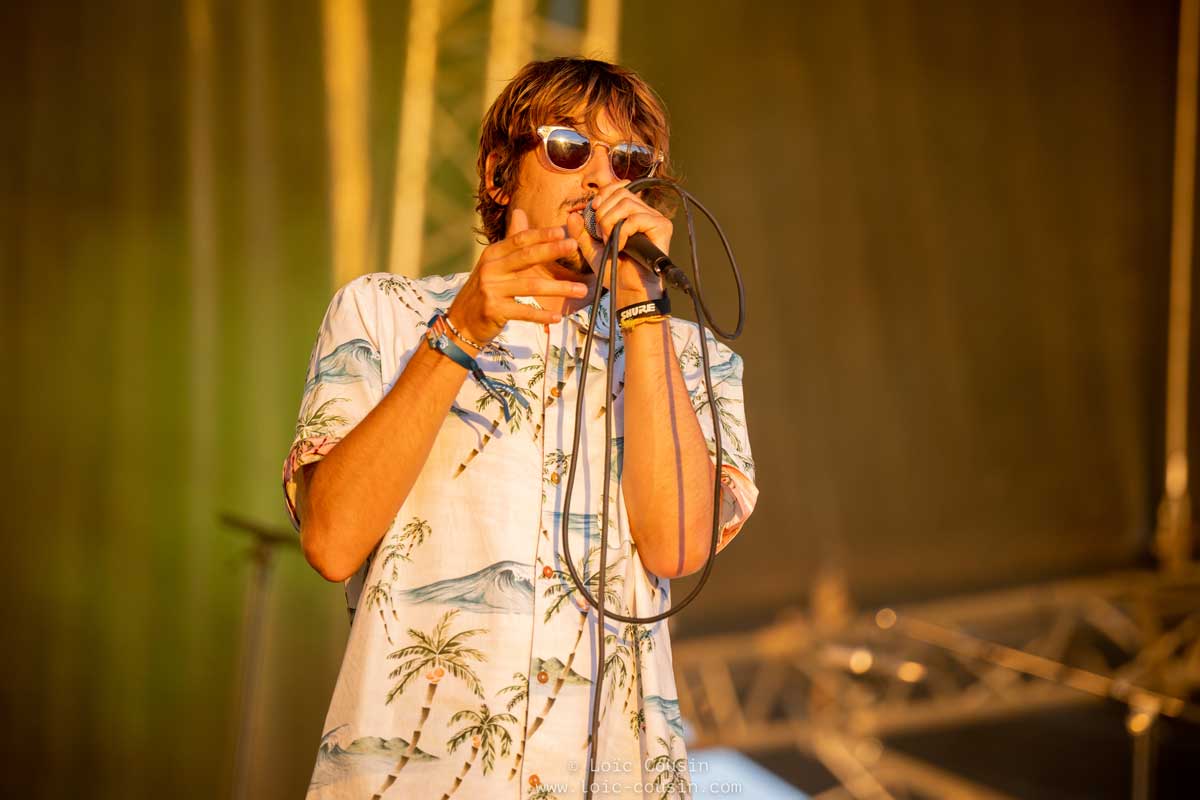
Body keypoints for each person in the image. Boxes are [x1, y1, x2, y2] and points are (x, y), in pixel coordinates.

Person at [282, 57, 758, 800]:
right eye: (571, 148)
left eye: (629, 162)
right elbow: (332, 541)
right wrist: (461, 332)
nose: (601, 179)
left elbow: (677, 547)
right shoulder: (382, 314)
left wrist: (642, 312)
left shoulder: (692, 357)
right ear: (500, 175)